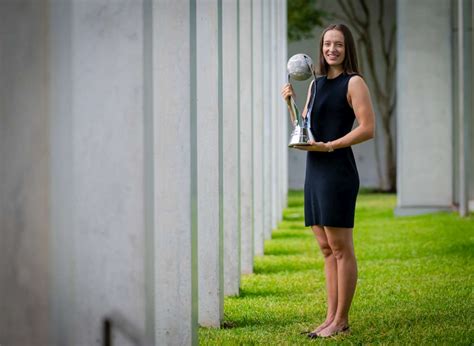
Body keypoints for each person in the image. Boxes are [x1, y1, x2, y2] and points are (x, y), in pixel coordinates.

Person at [281, 23, 375, 339]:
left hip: (337, 170)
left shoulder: (354, 83)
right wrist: (290, 105)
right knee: (325, 248)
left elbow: (367, 128)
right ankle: (329, 317)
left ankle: (342, 320)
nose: (331, 49)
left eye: (338, 44)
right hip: (315, 169)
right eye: (326, 44)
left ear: (347, 49)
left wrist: (331, 145)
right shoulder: (317, 85)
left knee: (340, 248)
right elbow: (305, 129)